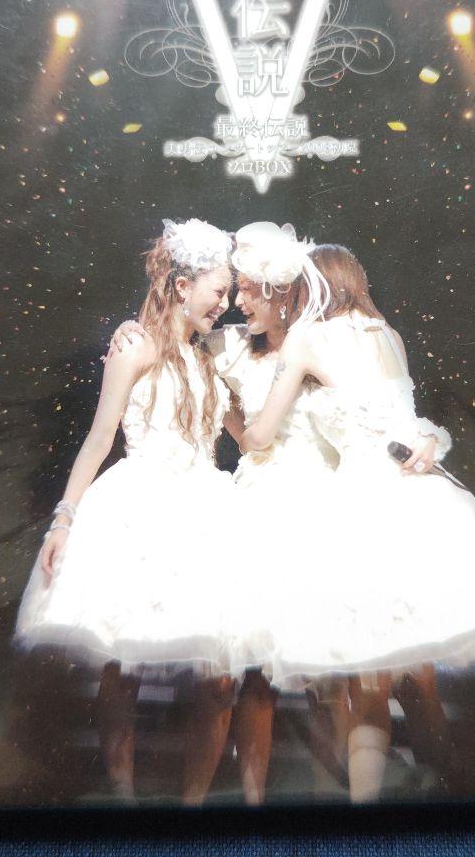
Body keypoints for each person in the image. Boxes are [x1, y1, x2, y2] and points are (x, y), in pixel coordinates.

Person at [241, 243, 475, 801]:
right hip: (422, 501)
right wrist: (431, 439)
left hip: (362, 504)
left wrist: (234, 417)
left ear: (313, 286)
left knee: (369, 683)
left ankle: (370, 809)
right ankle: (451, 793)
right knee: (411, 674)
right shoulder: (391, 336)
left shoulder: (308, 339)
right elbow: (407, 420)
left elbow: (259, 435)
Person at [111, 221, 341, 803]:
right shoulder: (218, 346)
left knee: (292, 666)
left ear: (280, 291)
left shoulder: (314, 345)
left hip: (291, 501)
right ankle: (148, 799)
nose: (235, 303)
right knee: (172, 658)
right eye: (228, 291)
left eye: (245, 291)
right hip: (206, 503)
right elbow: (176, 348)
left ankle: (310, 800)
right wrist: (128, 327)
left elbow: (361, 407)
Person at [14, 217, 240, 804]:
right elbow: (99, 438)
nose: (225, 305)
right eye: (219, 292)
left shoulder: (212, 357)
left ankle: (194, 805)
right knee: (124, 660)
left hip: (206, 511)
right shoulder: (134, 345)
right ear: (183, 285)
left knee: (218, 672)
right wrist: (64, 517)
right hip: (141, 506)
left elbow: (252, 434)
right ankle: (123, 796)